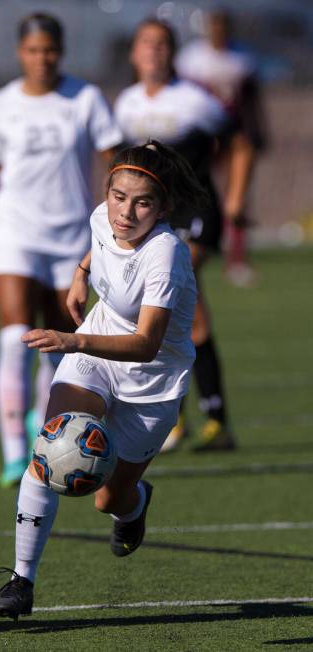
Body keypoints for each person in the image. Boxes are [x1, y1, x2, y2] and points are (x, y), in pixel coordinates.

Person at [0, 141, 203, 619]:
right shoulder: (102, 216)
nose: (126, 212)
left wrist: (73, 341)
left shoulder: (166, 254)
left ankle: (134, 506)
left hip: (152, 383)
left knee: (109, 498)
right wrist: (83, 271)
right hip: (96, 353)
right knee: (52, 446)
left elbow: (147, 343)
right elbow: (102, 238)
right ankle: (22, 580)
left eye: (142, 202)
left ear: (163, 207)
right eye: (118, 196)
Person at [0, 13, 122, 488]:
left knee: (59, 347)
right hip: (14, 234)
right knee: (14, 336)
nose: (42, 58)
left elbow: (115, 164)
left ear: (60, 51)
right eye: (33, 50)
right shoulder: (1, 105)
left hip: (71, 236)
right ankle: (12, 454)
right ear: (19, 53)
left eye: (50, 49)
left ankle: (42, 426)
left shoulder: (85, 98)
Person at [114, 17, 254, 451]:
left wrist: (234, 198)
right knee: (183, 314)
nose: (153, 51)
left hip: (195, 213)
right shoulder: (126, 104)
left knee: (173, 301)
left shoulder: (195, 100)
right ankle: (202, 420)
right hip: (153, 219)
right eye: (146, 43)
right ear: (134, 53)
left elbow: (241, 143)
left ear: (172, 52)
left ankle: (189, 420)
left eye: (161, 44)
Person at [177, 8, 268, 287]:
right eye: (213, 27)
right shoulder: (191, 58)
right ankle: (186, 245)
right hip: (202, 137)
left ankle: (237, 258)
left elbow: (252, 99)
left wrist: (257, 131)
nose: (218, 32)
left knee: (236, 196)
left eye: (222, 27)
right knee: (193, 187)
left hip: (232, 136)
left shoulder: (243, 58)